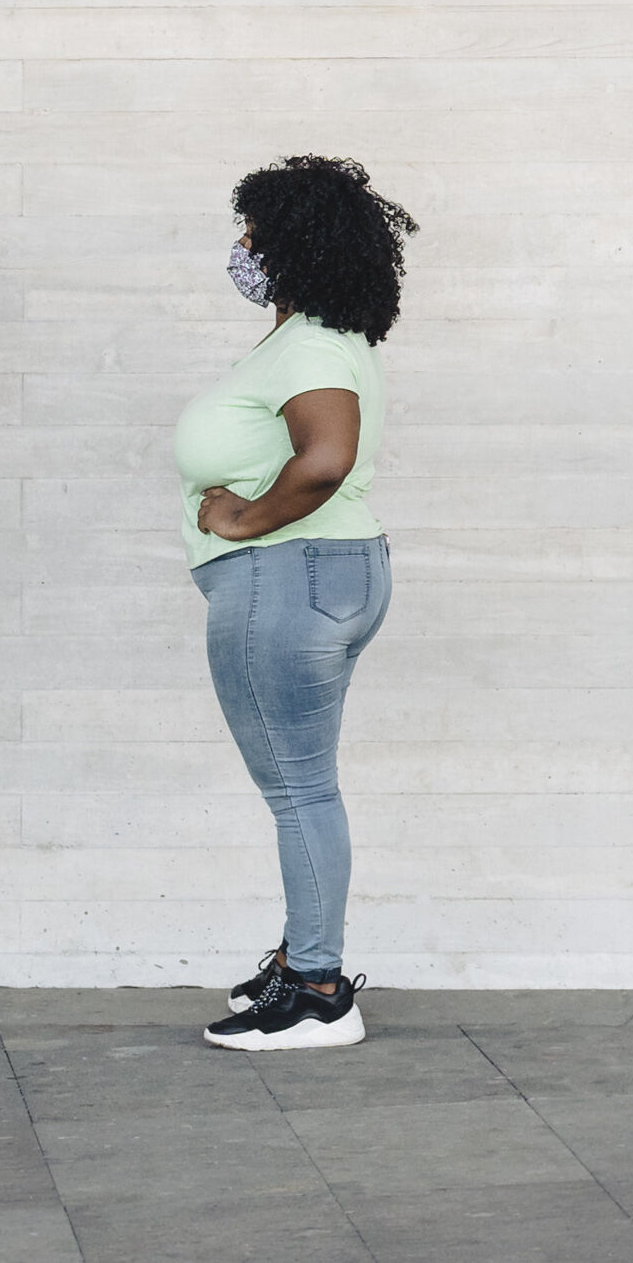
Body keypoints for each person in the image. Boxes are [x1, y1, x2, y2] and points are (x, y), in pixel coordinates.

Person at [178, 156, 415, 1051]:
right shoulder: (312, 339)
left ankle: (318, 991)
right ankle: (301, 960)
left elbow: (325, 459)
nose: (242, 247)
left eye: (254, 233)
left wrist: (243, 519)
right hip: (322, 573)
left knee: (299, 791)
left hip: (287, 575)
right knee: (303, 785)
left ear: (295, 245)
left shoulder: (312, 344)